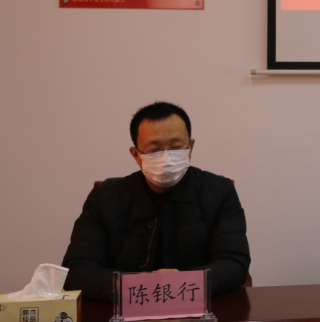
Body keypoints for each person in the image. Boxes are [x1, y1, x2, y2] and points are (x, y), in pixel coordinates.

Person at [61, 102, 250, 302]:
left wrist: (182, 282)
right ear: (136, 155)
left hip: (198, 310)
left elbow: (234, 263)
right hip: (126, 309)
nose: (166, 159)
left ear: (190, 147)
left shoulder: (219, 192)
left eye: (176, 147)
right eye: (154, 149)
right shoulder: (104, 199)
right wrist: (138, 285)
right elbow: (77, 270)